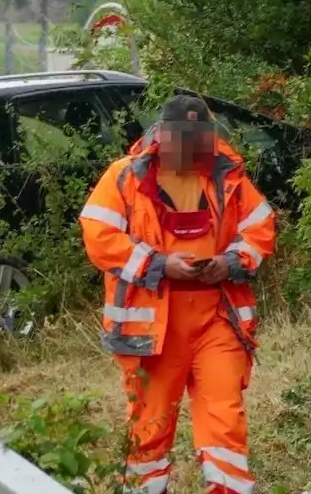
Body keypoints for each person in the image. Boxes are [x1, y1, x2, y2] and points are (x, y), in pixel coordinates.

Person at [79, 95, 276, 494]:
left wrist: (230, 262)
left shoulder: (229, 175)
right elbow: (99, 238)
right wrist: (159, 264)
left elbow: (260, 227)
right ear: (161, 134)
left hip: (218, 318)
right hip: (152, 329)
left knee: (225, 419)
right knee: (149, 428)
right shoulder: (124, 177)